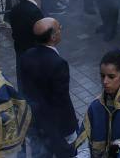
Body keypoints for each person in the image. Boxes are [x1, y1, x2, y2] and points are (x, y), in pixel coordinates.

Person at [19, 18, 77, 158]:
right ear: (53, 36)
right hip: (57, 124)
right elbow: (61, 99)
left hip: (36, 119)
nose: (61, 30)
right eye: (59, 28)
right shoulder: (58, 63)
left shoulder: (26, 55)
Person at [8, 0, 44, 86]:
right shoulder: (34, 12)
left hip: (20, 51)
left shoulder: (15, 9)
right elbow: (41, 35)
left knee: (23, 83)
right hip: (34, 54)